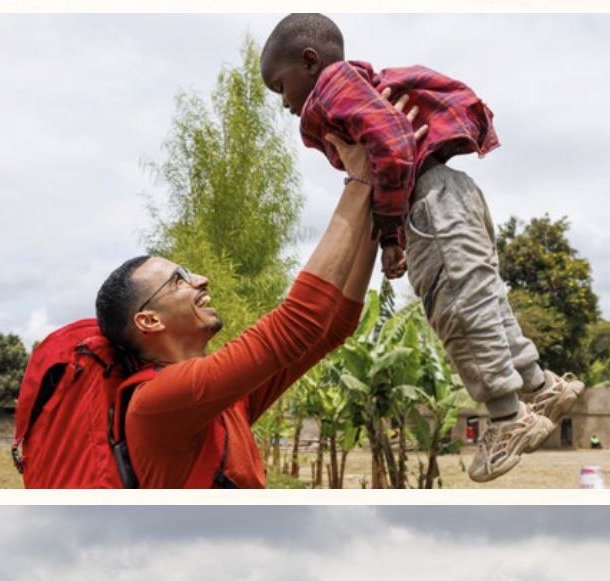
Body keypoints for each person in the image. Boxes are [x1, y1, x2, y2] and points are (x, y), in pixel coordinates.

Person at [260, 13, 583, 483]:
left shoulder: (331, 86)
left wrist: (391, 219)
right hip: (450, 192)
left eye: (280, 86)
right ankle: (539, 386)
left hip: (427, 202)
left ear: (310, 62)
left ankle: (507, 418)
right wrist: (392, 238)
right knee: (483, 299)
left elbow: (391, 145)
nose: (284, 103)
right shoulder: (354, 87)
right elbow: (393, 148)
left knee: (458, 309)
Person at [93, 97, 420, 490]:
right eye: (179, 279)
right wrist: (362, 179)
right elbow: (298, 324)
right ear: (149, 320)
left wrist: (380, 193)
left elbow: (331, 328)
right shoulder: (158, 403)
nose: (200, 279)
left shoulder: (220, 402)